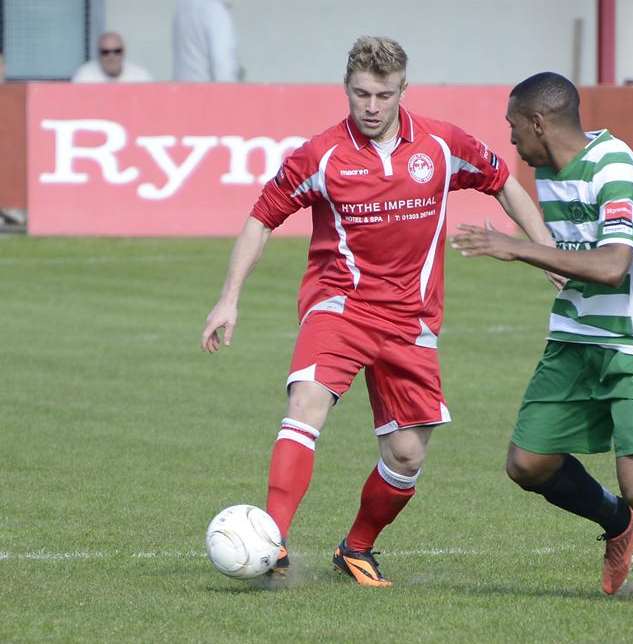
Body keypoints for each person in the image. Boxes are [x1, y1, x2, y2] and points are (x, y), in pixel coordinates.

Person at [200, 36, 555, 587]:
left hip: (411, 321)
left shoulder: (440, 144)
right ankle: (277, 541)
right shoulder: (319, 155)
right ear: (346, 88)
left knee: (408, 456)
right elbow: (261, 217)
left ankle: (356, 549)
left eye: (382, 95)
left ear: (401, 91)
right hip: (339, 305)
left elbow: (504, 183)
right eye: (361, 93)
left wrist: (544, 252)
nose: (370, 106)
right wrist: (229, 297)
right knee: (306, 402)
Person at [451, 72, 633, 607]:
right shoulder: (549, 169)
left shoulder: (615, 170)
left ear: (538, 123)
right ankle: (617, 522)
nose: (511, 140)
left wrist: (519, 249)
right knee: (527, 464)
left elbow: (613, 266)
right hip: (576, 336)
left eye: (513, 128)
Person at [173, 0, 240, 81]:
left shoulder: (182, 8)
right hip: (206, 89)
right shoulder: (216, 12)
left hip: (180, 88)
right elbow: (222, 65)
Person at [71, 32, 152, 83]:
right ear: (98, 54)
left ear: (124, 52)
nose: (111, 56)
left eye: (117, 51)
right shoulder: (84, 77)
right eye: (105, 52)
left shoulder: (140, 77)